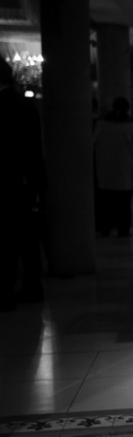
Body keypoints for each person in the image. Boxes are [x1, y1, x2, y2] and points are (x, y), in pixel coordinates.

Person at [0, 60, 46, 310]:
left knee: (6, 241)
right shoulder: (27, 105)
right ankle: (32, 286)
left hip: (6, 182)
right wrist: (39, 182)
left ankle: (5, 293)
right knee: (26, 239)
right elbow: (34, 150)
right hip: (26, 182)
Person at [93, 97, 133, 237]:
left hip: (105, 171)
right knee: (124, 205)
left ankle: (105, 228)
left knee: (106, 204)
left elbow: (93, 143)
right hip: (125, 171)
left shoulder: (101, 125)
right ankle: (123, 230)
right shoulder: (131, 127)